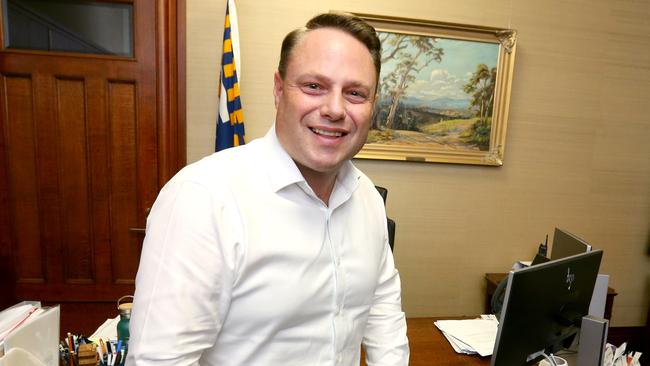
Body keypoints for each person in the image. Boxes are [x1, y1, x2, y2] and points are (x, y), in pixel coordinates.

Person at [127, 12, 409, 366]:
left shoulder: (367, 197)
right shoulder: (203, 197)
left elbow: (384, 314)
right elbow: (158, 360)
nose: (335, 109)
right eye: (314, 86)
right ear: (279, 90)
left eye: (355, 93)